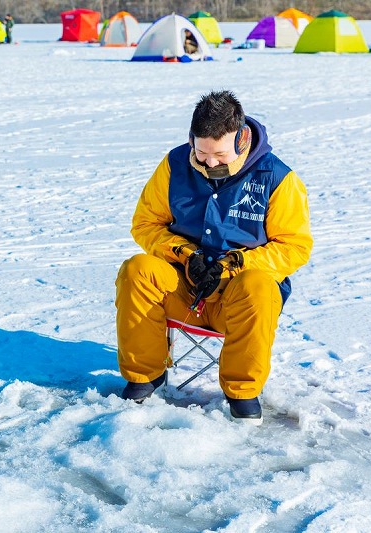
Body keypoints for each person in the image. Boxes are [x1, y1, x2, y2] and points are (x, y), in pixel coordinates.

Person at [115, 90, 312, 424]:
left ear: (241, 138)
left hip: (239, 301)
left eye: (219, 154)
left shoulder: (278, 178)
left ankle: (242, 392)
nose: (209, 162)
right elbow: (145, 224)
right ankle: (145, 376)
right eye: (201, 152)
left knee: (260, 287)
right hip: (184, 288)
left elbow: (295, 246)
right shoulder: (174, 164)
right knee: (138, 269)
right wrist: (184, 253)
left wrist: (235, 263)